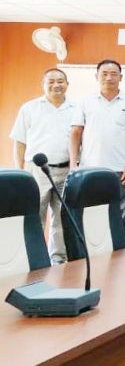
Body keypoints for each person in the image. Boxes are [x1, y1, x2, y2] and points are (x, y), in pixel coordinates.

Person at [10, 68, 75, 264]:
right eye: (51, 81)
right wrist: (20, 171)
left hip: (66, 170)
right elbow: (19, 142)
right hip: (36, 171)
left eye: (61, 81)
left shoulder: (76, 107)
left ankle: (58, 258)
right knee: (35, 216)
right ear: (43, 84)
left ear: (67, 84)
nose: (56, 85)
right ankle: (33, 258)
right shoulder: (29, 108)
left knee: (62, 218)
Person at [70, 59, 125, 224]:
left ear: (121, 77)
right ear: (96, 76)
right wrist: (73, 165)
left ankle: (120, 250)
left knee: (120, 217)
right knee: (92, 215)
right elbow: (76, 133)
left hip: (121, 171)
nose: (109, 78)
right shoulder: (85, 101)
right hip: (90, 169)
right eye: (104, 74)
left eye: (114, 74)